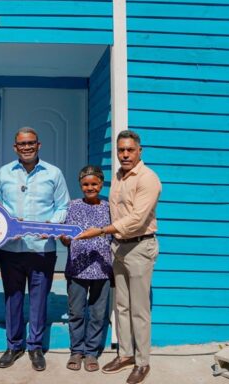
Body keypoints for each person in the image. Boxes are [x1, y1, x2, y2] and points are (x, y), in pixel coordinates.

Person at [75, 130, 161, 384]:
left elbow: (137, 219)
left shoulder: (148, 179)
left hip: (140, 246)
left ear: (139, 151)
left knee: (139, 309)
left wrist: (101, 231)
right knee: (121, 306)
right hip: (119, 247)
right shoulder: (119, 177)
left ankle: (142, 362)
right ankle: (125, 354)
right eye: (121, 150)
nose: (125, 154)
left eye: (130, 150)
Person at [0, 127, 70, 371]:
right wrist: (6, 224)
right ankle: (13, 346)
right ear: (15, 147)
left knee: (39, 300)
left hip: (41, 248)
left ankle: (35, 347)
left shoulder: (53, 173)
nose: (26, 147)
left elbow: (63, 206)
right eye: (22, 144)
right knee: (13, 298)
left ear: (38, 145)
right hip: (11, 248)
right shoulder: (4, 173)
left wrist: (52, 225)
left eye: (31, 143)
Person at [60, 165, 112, 372]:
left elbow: (114, 233)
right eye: (85, 184)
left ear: (101, 184)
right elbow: (65, 237)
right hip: (77, 269)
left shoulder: (108, 207)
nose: (90, 188)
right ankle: (76, 351)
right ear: (80, 185)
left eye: (94, 184)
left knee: (98, 314)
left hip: (102, 270)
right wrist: (64, 239)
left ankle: (91, 352)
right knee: (76, 312)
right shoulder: (72, 206)